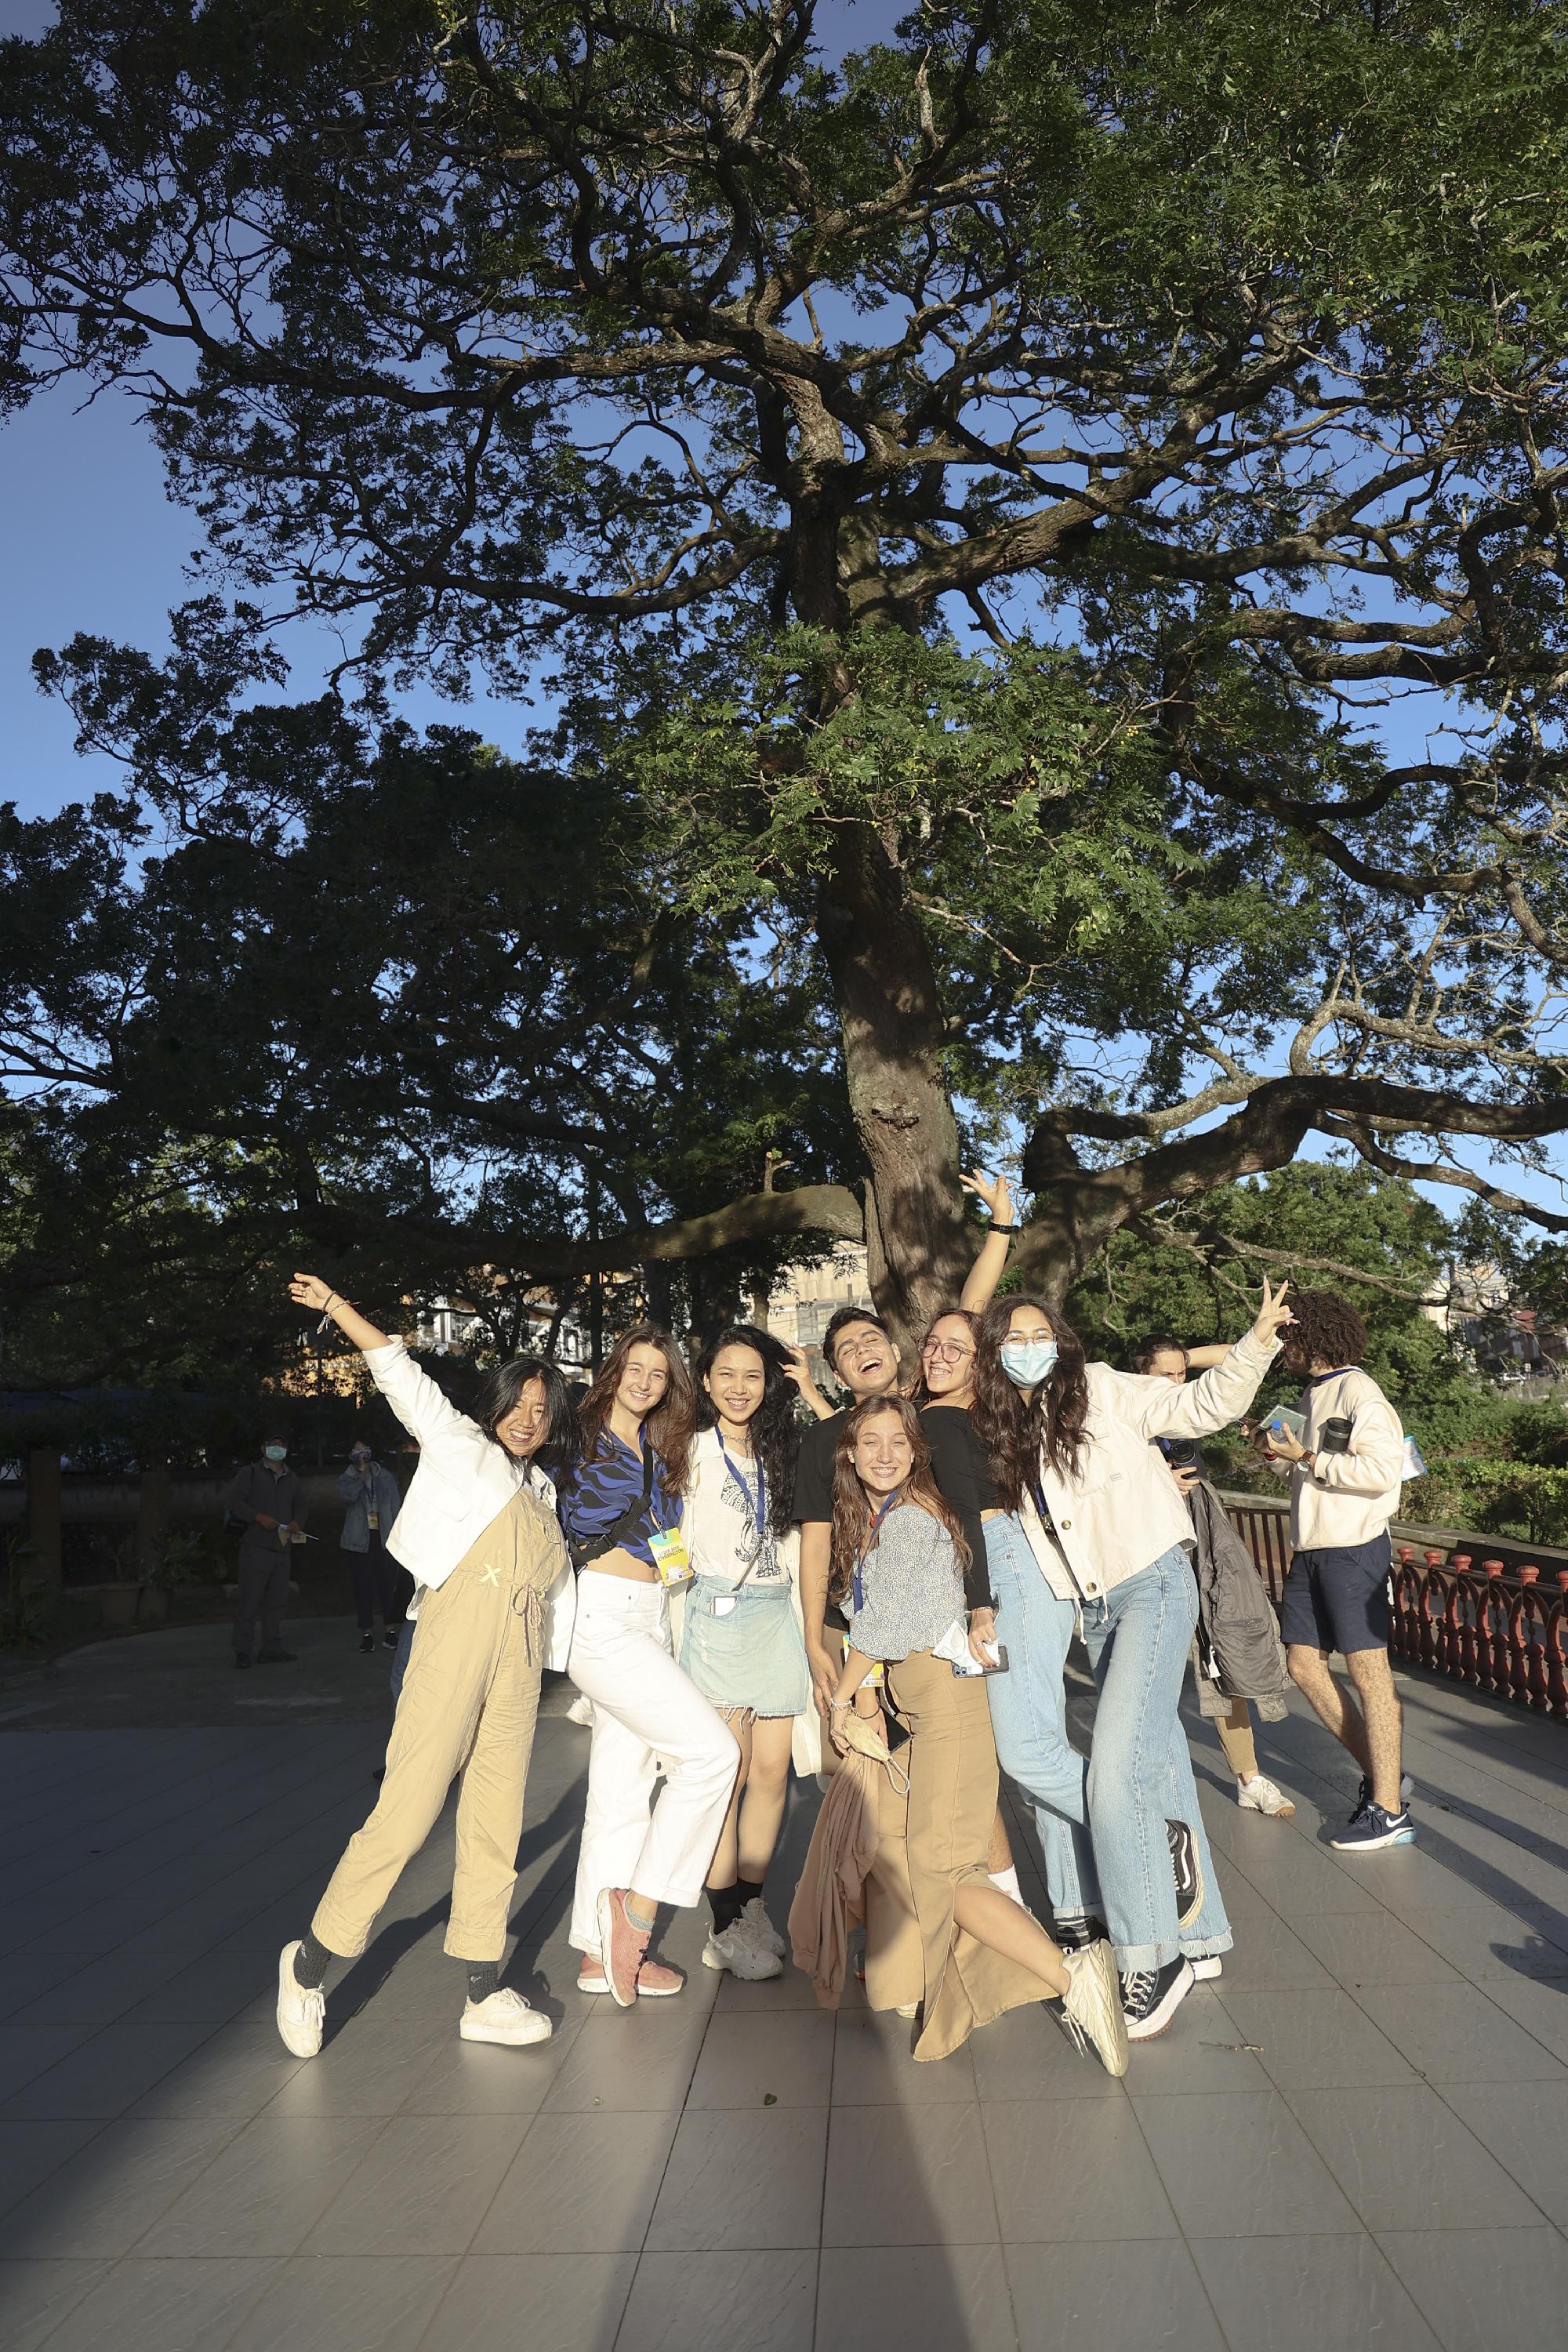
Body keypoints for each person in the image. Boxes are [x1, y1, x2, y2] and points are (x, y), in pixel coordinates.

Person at [972, 1281, 1294, 2040]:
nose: (1025, 1349)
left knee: (1114, 1767)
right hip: (1091, 1611)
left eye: (1035, 1334)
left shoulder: (1101, 1388)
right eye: (1009, 1339)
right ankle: (1201, 1936)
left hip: (1150, 1585)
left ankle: (1151, 1958)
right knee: (1147, 1765)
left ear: (1059, 1339)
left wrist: (1256, 1339)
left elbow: (1199, 1408)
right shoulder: (1003, 1428)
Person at [274, 1276, 576, 2058]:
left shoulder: (543, 1489)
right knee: (406, 1817)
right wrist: (342, 1308)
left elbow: (561, 1597)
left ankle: (482, 1991)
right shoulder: (460, 1448)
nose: (529, 1420)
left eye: (543, 1411)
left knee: (494, 1824)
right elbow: (400, 1377)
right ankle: (308, 1965)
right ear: (496, 1405)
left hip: (518, 1663)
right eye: (519, 1404)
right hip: (450, 1645)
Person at [826, 1396, 1127, 2075]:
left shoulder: (910, 1520)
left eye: (898, 1443)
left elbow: (883, 1630)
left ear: (917, 1451)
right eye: (870, 1442)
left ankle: (1070, 1976)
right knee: (932, 1861)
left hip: (948, 1708)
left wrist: (842, 1702)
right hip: (930, 1709)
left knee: (942, 1866)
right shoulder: (884, 1518)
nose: (884, 1455)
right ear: (849, 1452)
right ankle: (956, 1983)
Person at [793, 1167, 1018, 1719]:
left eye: (872, 1338)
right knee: (866, 1760)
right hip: (859, 1614)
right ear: (837, 1373)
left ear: (897, 1353)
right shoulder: (822, 1440)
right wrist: (812, 1635)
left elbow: (971, 1311)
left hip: (942, 1599)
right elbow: (816, 1544)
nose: (863, 1349)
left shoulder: (927, 1409)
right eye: (847, 1349)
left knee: (958, 1748)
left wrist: (1002, 1225)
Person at [560, 1325, 741, 2005]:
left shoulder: (662, 1446)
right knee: (712, 1757)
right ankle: (635, 1919)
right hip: (601, 1618)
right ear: (614, 1371)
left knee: (620, 1787)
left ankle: (595, 1955)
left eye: (657, 1374)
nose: (644, 1380)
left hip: (651, 1614)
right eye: (634, 1368)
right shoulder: (575, 1433)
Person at [916, 1308, 1102, 1938]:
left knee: (1025, 1750)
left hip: (1002, 1573)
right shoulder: (995, 1416)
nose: (939, 1355)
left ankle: (1144, 1829)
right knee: (1042, 1737)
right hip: (1027, 1568)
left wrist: (979, 1604)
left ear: (981, 1361)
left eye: (956, 1349)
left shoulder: (939, 1418)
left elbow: (968, 1515)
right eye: (932, 1344)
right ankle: (1075, 1910)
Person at [1258, 1291, 1414, 1851]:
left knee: (1370, 1676)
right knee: (1302, 1665)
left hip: (1354, 1550)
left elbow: (1381, 1470)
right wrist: (1282, 1458)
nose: (1282, 1347)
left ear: (1312, 1337)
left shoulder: (1360, 1392)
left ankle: (1389, 1810)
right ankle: (1386, 1779)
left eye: (1288, 1337)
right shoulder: (1313, 1392)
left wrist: (1305, 1458)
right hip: (1313, 1550)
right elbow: (1315, 1471)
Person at [680, 1325, 811, 1981]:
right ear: (705, 1382)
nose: (739, 1387)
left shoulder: (780, 1450)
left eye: (753, 1375)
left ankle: (753, 1909)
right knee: (724, 1778)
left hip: (774, 1616)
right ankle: (723, 1923)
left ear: (770, 1384)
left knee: (770, 1773)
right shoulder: (689, 1451)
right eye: (726, 1374)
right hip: (716, 1619)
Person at [1132, 1337, 1295, 1820]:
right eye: (1164, 1376)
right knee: (1145, 1662)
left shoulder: (1188, 1408)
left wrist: (1185, 1360)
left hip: (1202, 1530)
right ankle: (1144, 1776)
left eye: (1180, 1375)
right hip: (1147, 1537)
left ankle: (1249, 1777)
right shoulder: (1124, 1414)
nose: (1176, 1384)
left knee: (1220, 1650)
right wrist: (1154, 1478)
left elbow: (1239, 1356)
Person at [223, 1432, 307, 1668]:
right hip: (255, 1546)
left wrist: (297, 1523)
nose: (277, 1449)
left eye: (282, 1445)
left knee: (277, 1601)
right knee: (250, 1599)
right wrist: (257, 1517)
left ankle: (271, 1647)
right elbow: (234, 1501)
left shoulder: (292, 1479)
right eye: (273, 1445)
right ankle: (243, 1650)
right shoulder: (250, 1474)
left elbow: (301, 1506)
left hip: (282, 1548)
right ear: (263, 1448)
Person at [337, 1439, 404, 1656]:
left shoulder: (384, 1476)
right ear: (350, 1455)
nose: (362, 1453)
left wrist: (398, 1538)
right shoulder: (347, 1478)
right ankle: (366, 1634)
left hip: (384, 1537)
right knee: (363, 1587)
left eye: (364, 1448)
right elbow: (348, 1496)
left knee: (388, 1587)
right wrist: (360, 1473)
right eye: (356, 1450)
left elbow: (395, 1505)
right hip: (359, 1541)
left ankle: (390, 1630)